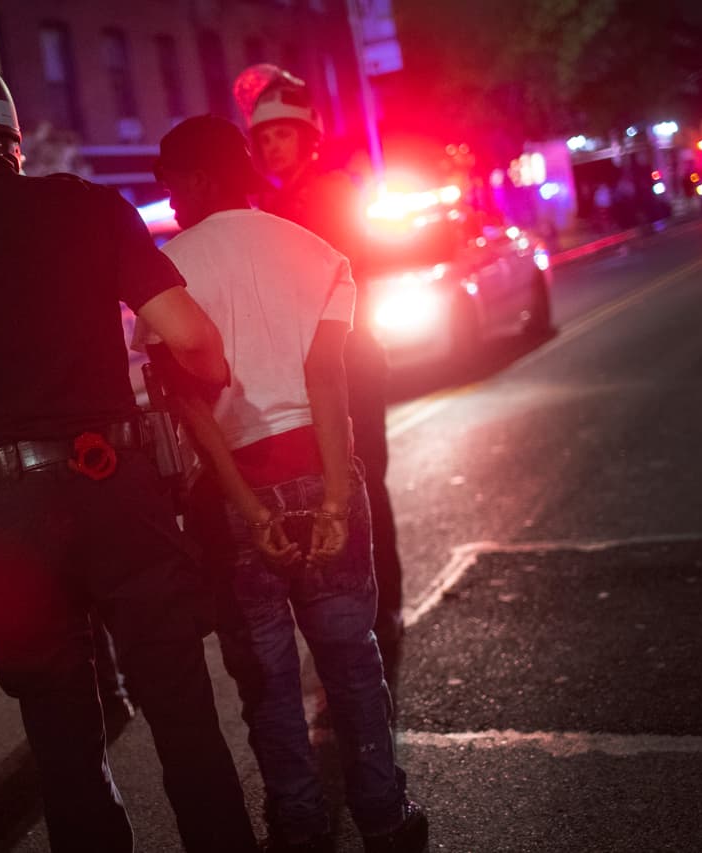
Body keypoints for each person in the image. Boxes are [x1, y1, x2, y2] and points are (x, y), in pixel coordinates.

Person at [0, 47, 257, 853]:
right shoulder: (90, 206)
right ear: (0, 131)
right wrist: (200, 391)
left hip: (12, 520)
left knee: (64, 743)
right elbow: (193, 339)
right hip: (121, 490)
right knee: (184, 715)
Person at [140, 115, 428, 853]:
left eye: (171, 181)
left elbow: (188, 405)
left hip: (234, 496)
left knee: (267, 681)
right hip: (321, 467)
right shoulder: (317, 251)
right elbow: (325, 377)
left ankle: (298, 826)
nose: (168, 197)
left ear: (199, 176)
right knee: (352, 660)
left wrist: (246, 504)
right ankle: (384, 813)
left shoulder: (166, 273)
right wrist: (334, 497)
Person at [234, 64, 407, 696]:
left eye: (283, 133)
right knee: (326, 488)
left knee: (362, 483)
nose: (273, 145)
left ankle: (382, 609)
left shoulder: (330, 191)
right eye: (265, 136)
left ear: (308, 137)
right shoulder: (272, 202)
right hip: (307, 371)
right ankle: (349, 613)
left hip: (349, 361)